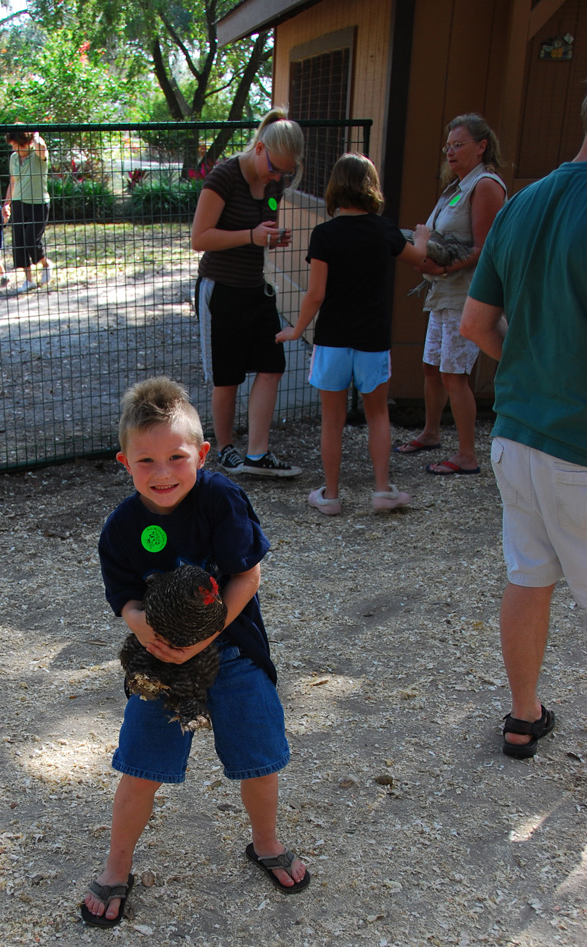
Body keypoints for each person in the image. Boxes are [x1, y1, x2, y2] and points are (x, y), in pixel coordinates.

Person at [81, 377, 309, 926]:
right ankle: (116, 865)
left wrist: (205, 638)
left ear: (202, 455)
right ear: (125, 463)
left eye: (176, 458)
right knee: (139, 765)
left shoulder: (221, 498)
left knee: (259, 758)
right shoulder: (122, 527)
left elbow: (246, 576)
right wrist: (140, 625)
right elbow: (124, 597)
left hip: (231, 647)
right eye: (146, 462)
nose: (162, 474)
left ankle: (266, 840)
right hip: (161, 659)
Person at [460, 94, 587, 759]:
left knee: (527, 575)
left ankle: (521, 717)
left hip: (516, 435)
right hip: (578, 446)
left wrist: (538, 369)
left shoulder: (522, 204)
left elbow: (475, 325)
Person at [276, 153, 431, 514]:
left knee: (332, 420)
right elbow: (418, 258)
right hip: (372, 340)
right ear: (370, 187)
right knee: (377, 414)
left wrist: (296, 329)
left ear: (334, 188)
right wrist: (421, 235)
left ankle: (330, 495)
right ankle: (381, 491)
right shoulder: (384, 229)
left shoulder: (324, 234)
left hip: (331, 340)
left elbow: (316, 294)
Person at [191, 109, 305, 479]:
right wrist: (251, 236)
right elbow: (200, 238)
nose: (278, 178)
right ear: (259, 149)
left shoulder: (272, 184)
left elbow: (266, 218)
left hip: (256, 287)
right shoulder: (224, 176)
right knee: (227, 377)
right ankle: (225, 450)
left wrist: (273, 235)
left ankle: (258, 452)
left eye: (285, 173)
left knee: (272, 366)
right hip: (220, 289)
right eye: (275, 169)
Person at [394, 113, 506, 474]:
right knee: (432, 367)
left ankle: (467, 455)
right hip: (442, 293)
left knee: (454, 373)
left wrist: (442, 267)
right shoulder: (456, 186)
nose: (451, 152)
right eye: (448, 146)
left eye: (459, 145)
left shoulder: (484, 185)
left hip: (466, 295)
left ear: (481, 146)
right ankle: (430, 433)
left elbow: (485, 248)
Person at [3, 127, 53, 295]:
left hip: (38, 203)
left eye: (18, 145)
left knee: (32, 240)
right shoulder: (13, 158)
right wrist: (6, 204)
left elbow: (43, 149)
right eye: (13, 146)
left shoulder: (38, 155)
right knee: (19, 242)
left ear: (27, 142)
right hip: (18, 203)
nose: (15, 149)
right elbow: (13, 181)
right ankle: (29, 280)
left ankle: (46, 265)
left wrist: (36, 136)